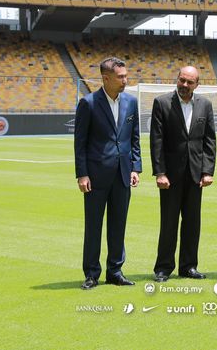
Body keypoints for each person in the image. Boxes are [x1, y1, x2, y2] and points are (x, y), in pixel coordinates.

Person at [74, 57, 142, 289]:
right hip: (95, 176)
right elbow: (79, 142)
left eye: (125, 75)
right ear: (106, 78)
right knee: (93, 225)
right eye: (121, 77)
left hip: (122, 173)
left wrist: (135, 167)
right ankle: (92, 273)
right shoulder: (89, 103)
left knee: (118, 224)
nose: (125, 80)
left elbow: (134, 139)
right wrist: (82, 174)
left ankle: (115, 270)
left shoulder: (131, 102)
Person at [150, 66, 216, 282]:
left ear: (197, 84)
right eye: (182, 80)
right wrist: (160, 172)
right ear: (177, 80)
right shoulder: (161, 103)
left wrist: (207, 170)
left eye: (189, 82)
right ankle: (163, 268)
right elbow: (156, 140)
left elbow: (209, 140)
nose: (184, 85)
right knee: (168, 222)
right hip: (170, 175)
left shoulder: (205, 105)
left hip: (196, 174)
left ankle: (189, 266)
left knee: (192, 223)